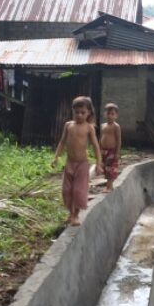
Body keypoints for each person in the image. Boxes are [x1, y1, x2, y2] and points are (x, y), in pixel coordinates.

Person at [51, 96, 103, 226]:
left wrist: (98, 163)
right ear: (72, 111)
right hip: (69, 163)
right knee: (66, 190)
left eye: (83, 113)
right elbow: (62, 142)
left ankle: (76, 215)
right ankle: (70, 213)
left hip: (82, 164)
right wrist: (56, 157)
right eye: (76, 112)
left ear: (89, 113)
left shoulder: (89, 128)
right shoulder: (68, 125)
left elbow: (96, 146)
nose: (79, 115)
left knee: (79, 191)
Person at [100, 103, 122, 192]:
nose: (110, 116)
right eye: (108, 113)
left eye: (112, 114)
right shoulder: (103, 126)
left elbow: (119, 140)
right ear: (104, 114)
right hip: (104, 151)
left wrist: (117, 153)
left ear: (116, 115)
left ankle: (109, 186)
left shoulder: (116, 126)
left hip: (112, 151)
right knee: (105, 168)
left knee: (111, 169)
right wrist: (99, 149)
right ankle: (108, 186)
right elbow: (101, 138)